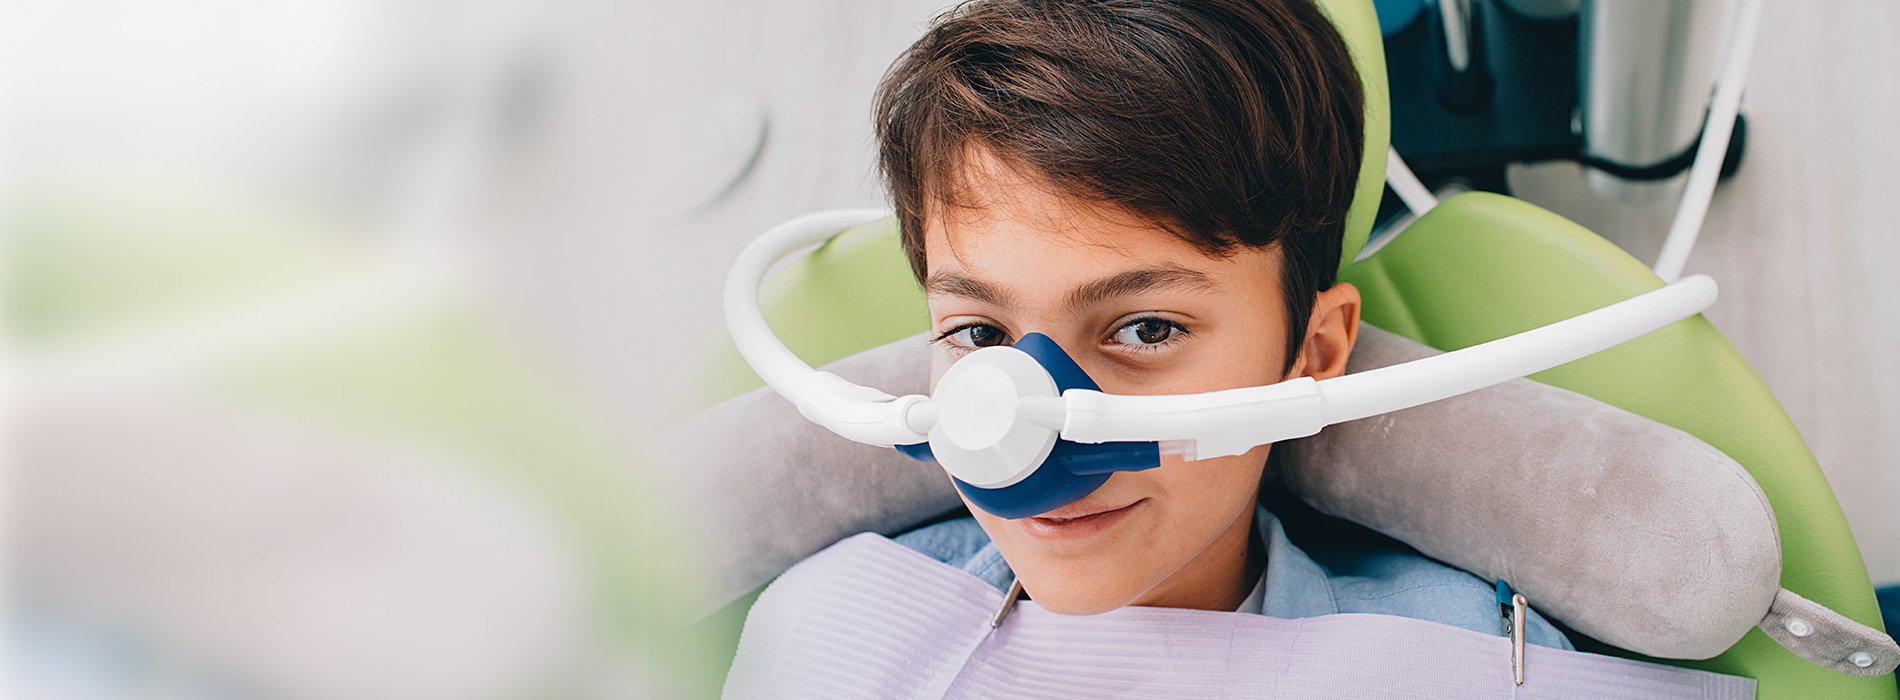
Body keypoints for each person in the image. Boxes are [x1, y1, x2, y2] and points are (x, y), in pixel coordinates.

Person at [867, 0, 1574, 645]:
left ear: (1314, 347)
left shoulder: (1467, 658)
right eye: (981, 335)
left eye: (1146, 330)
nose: (1038, 433)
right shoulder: (835, 621)